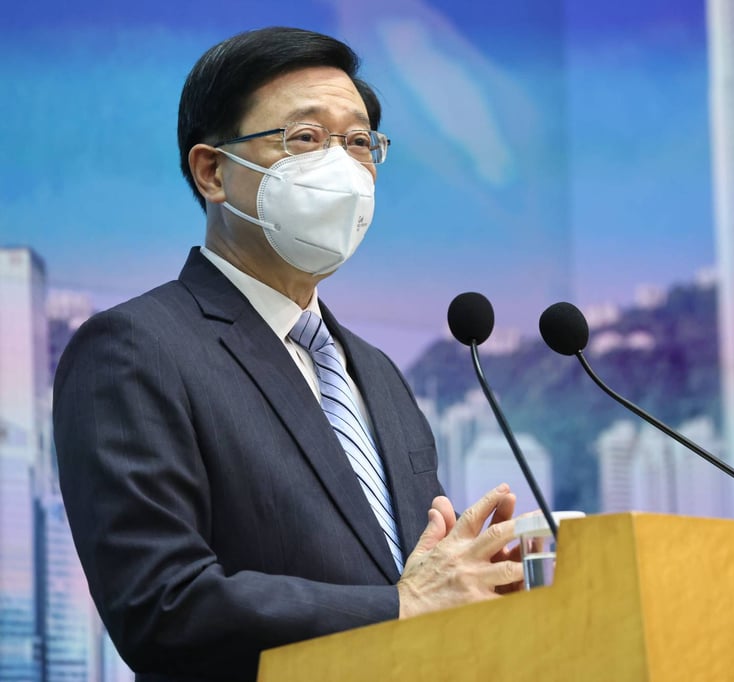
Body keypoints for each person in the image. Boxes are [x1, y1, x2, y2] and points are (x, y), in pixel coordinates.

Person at [53, 26, 522, 682]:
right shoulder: (134, 349)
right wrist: (401, 604)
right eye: (305, 137)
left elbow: (425, 583)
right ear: (213, 171)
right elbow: (162, 605)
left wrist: (479, 583)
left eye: (359, 142)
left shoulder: (379, 374)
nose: (341, 166)